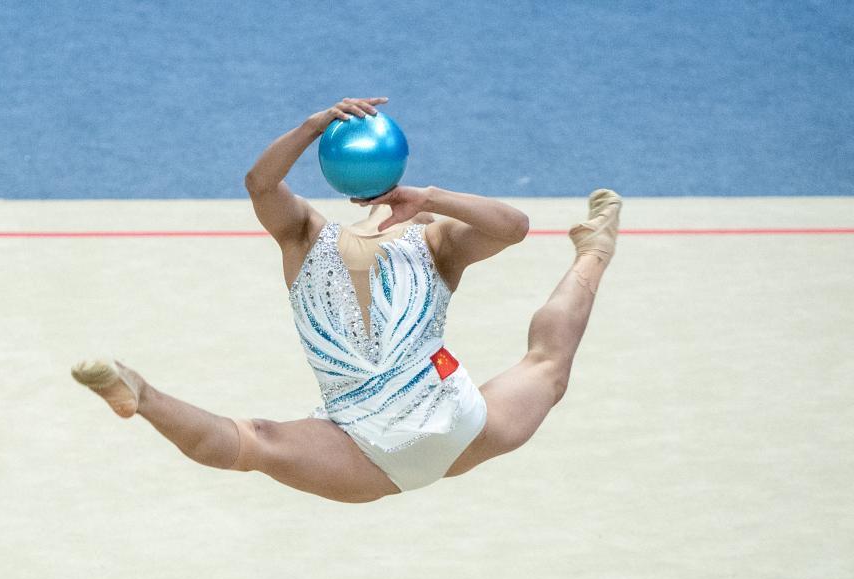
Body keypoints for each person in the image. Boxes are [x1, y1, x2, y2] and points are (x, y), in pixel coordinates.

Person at [71, 96, 621, 504]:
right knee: (546, 366)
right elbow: (260, 183)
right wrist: (313, 126)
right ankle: (139, 393)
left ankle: (593, 248)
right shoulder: (308, 237)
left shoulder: (434, 246)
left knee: (255, 443)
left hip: (428, 428)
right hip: (379, 442)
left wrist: (430, 197)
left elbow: (514, 227)